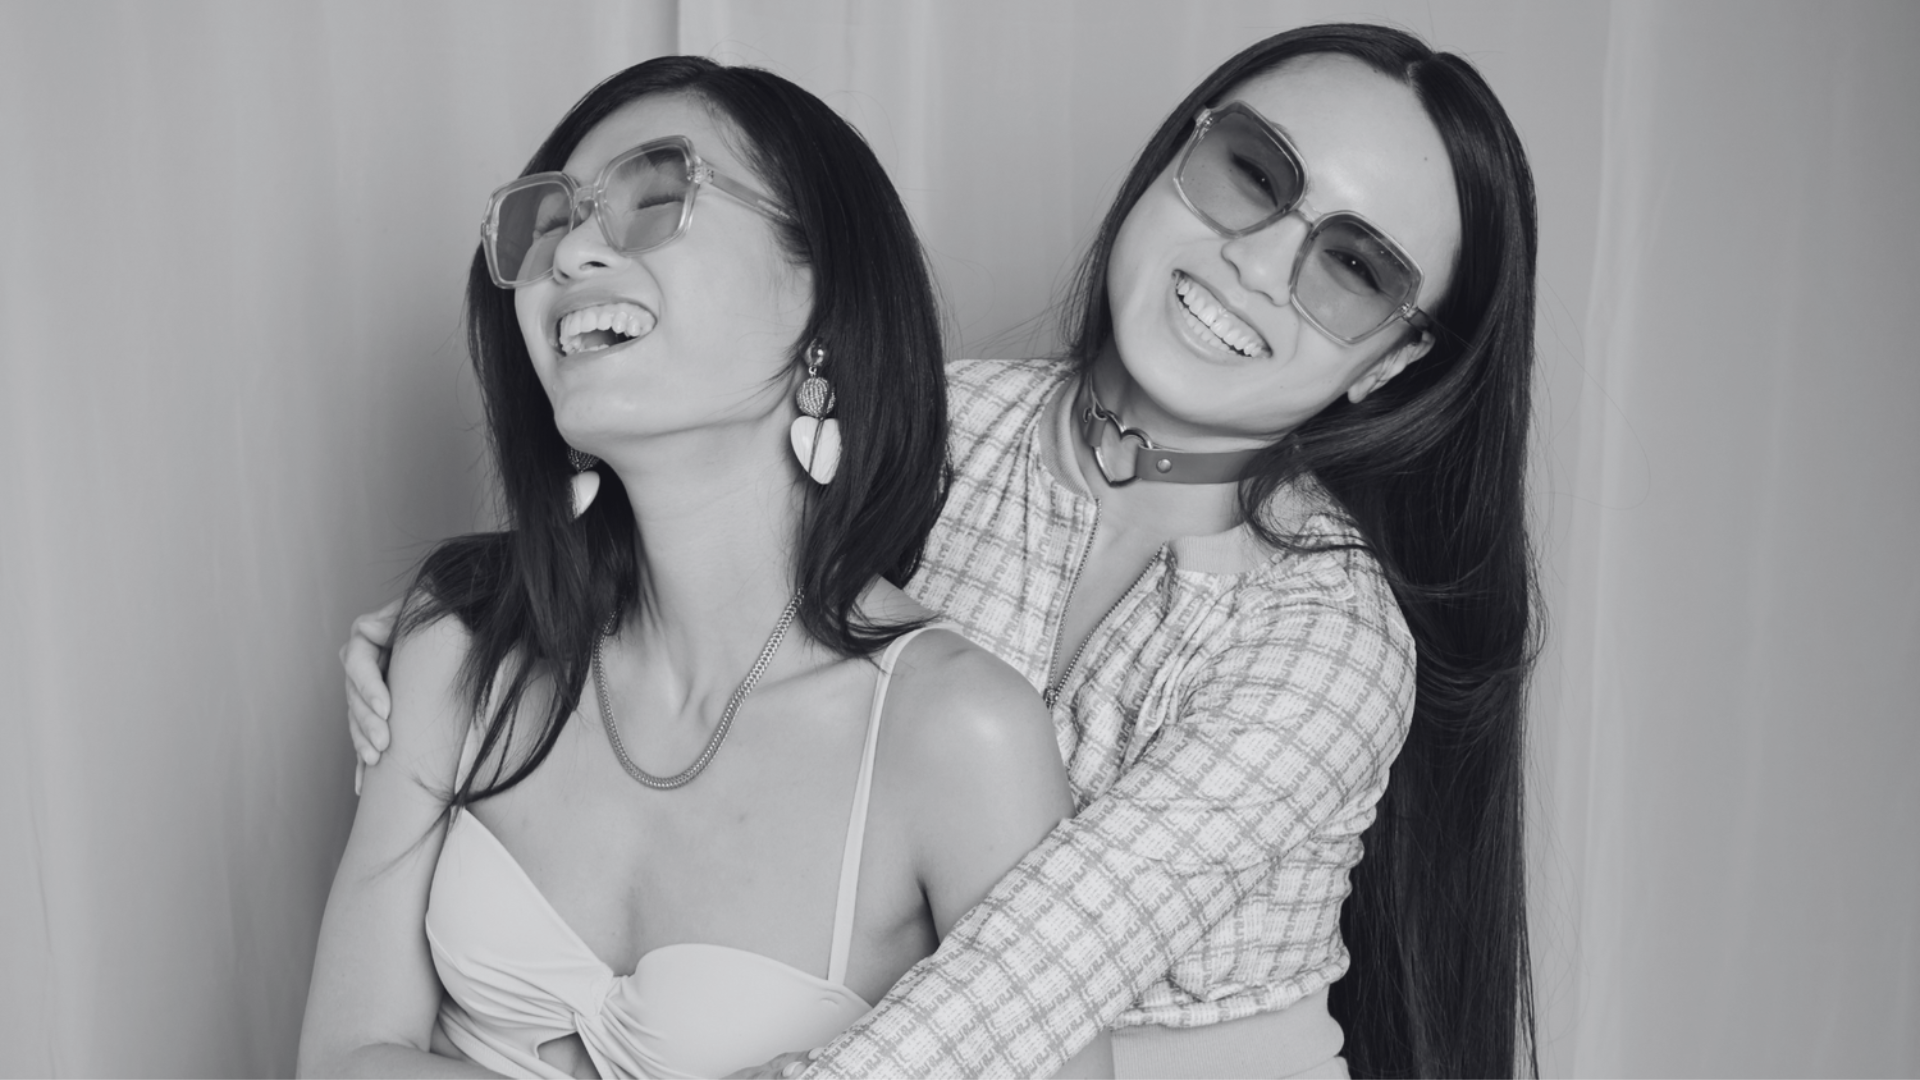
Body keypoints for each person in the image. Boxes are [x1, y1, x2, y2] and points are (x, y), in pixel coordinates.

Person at [341, 23, 1540, 1078]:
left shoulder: (1329, 639)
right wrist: (464, 631)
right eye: (1252, 173)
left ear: (1392, 360)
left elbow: (1031, 971)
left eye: (1355, 268)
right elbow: (683, 514)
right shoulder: (936, 418)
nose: (1257, 262)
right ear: (1183, 151)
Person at [296, 56, 1082, 1079]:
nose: (570, 252)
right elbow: (339, 1059)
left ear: (820, 295)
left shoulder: (960, 736)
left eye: (654, 197)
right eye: (548, 221)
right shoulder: (459, 646)